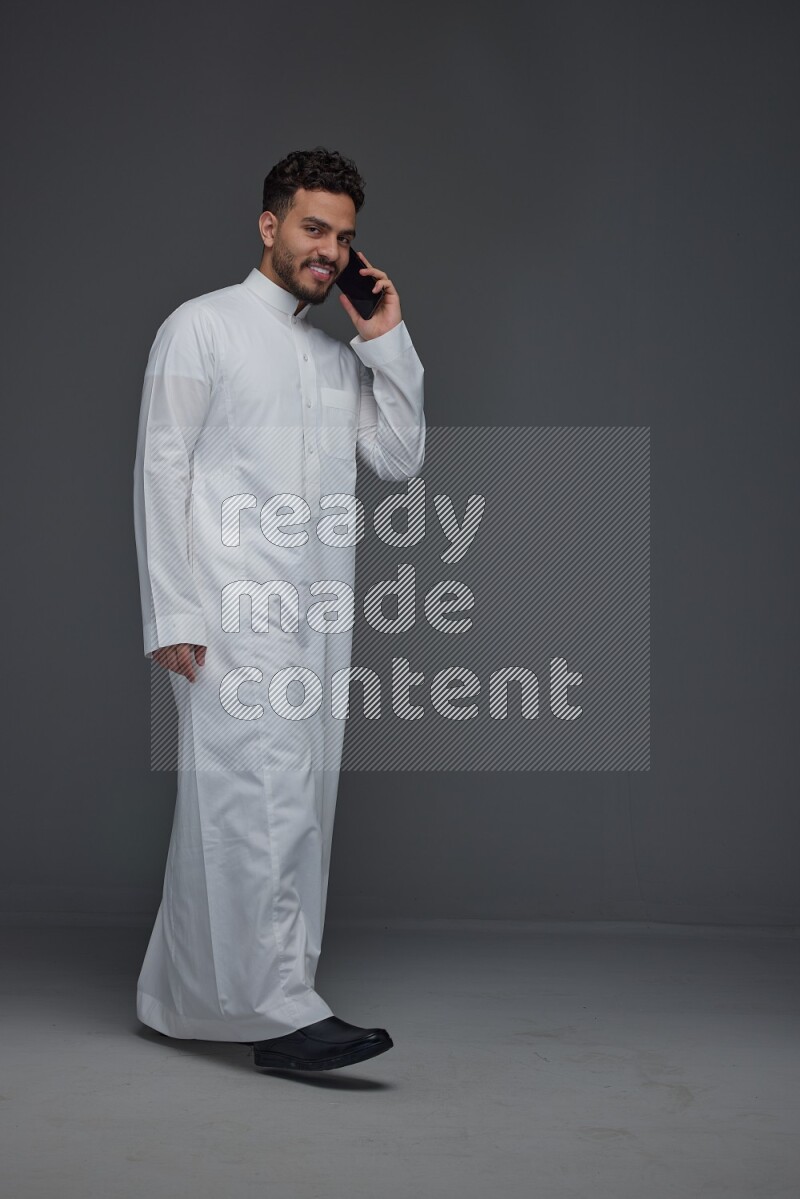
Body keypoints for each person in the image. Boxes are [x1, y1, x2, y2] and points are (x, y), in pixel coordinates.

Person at [132, 146, 425, 1071]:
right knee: (258, 802)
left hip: (318, 617)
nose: (330, 249)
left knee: (291, 804)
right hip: (226, 612)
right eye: (313, 227)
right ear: (270, 225)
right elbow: (161, 467)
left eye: (343, 235)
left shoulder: (336, 360)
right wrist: (172, 612)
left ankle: (186, 998)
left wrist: (387, 339)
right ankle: (281, 1012)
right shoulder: (202, 328)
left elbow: (401, 461)